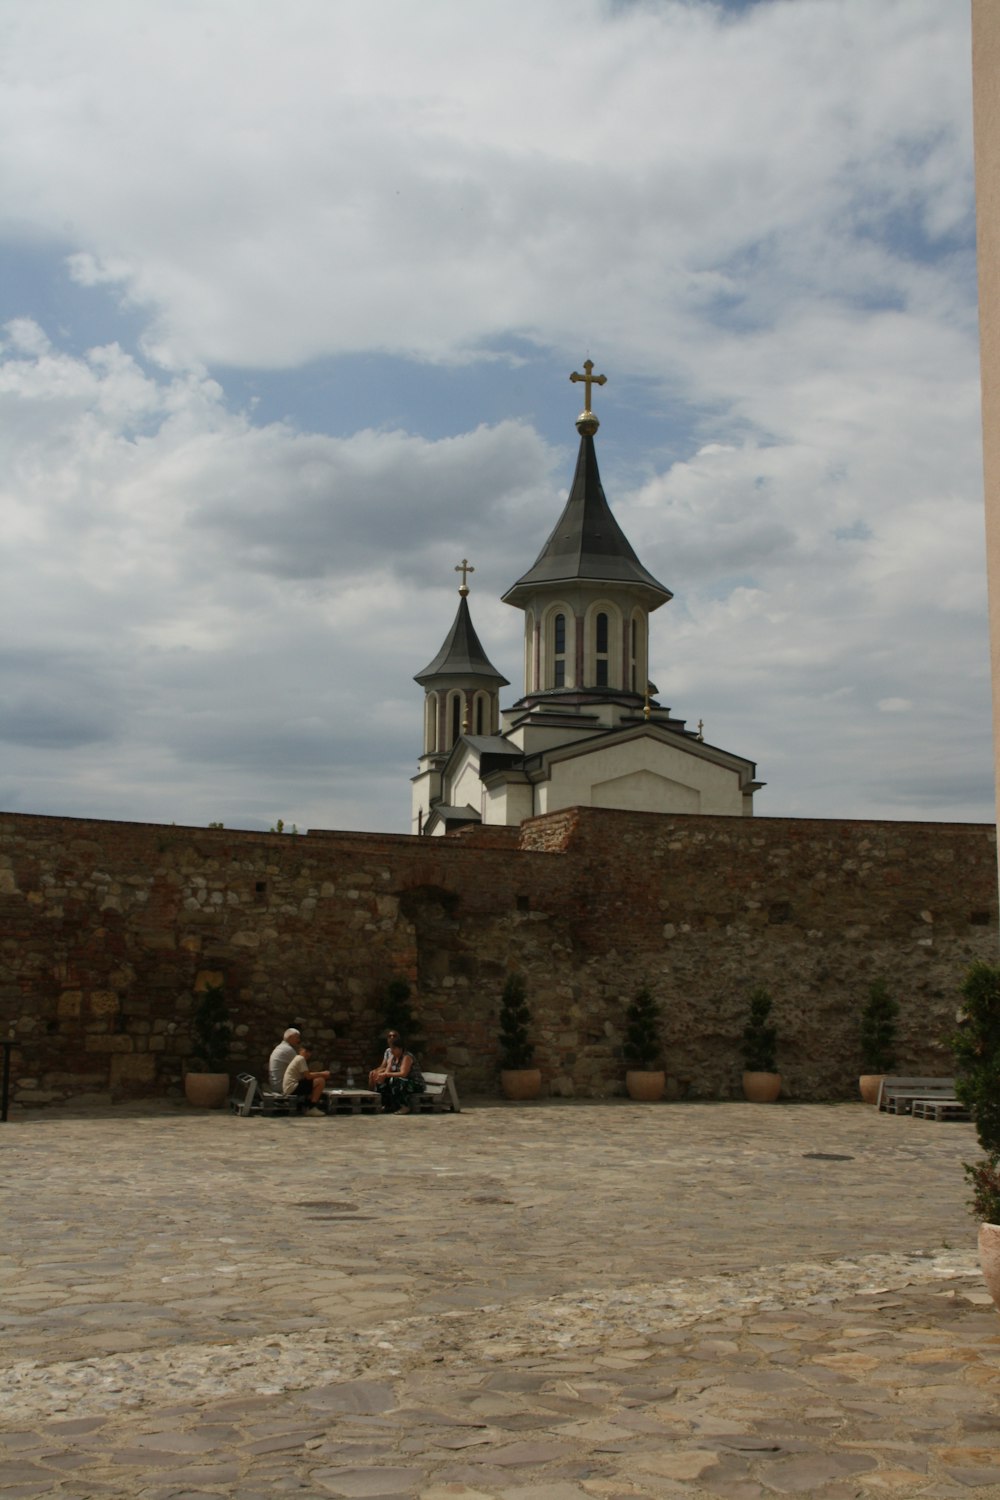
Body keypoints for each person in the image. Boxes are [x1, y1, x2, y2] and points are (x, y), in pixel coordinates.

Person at [375, 1039, 426, 1114]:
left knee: (397, 1081)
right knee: (382, 1082)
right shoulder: (392, 1057)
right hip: (402, 1081)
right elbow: (387, 1071)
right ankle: (388, 1105)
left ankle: (405, 1106)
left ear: (400, 1048)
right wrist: (381, 1076)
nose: (392, 1051)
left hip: (415, 1084)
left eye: (394, 1048)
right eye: (391, 1048)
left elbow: (403, 1073)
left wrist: (386, 1074)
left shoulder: (407, 1057)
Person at [282, 1044, 330, 1115]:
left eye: (309, 1052)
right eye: (306, 1051)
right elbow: (308, 1076)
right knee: (320, 1081)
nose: (308, 1054)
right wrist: (323, 1074)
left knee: (313, 1083)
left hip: (290, 1087)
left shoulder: (298, 1059)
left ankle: (306, 1106)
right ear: (301, 1050)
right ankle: (311, 1107)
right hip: (292, 1087)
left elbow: (306, 1076)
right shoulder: (300, 1059)